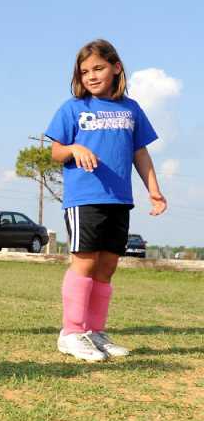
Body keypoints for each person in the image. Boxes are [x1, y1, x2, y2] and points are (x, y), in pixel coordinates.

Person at [45, 39, 165, 361]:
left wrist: (153, 189)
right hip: (85, 199)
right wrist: (74, 149)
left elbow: (140, 153)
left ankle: (94, 332)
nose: (92, 76)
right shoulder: (73, 108)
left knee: (108, 265)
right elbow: (56, 151)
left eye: (98, 68)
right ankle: (71, 332)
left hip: (119, 200)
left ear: (116, 67)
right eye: (84, 72)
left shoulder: (132, 109)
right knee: (85, 261)